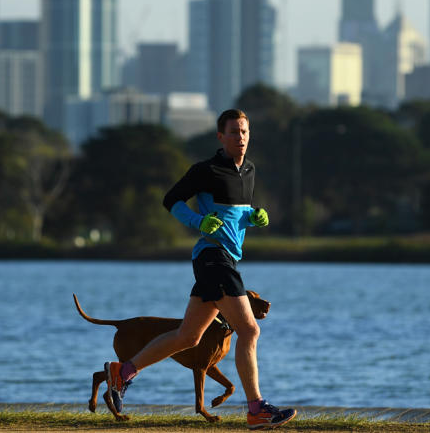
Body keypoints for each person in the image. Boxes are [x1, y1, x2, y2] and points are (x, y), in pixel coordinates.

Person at [103, 109, 297, 430]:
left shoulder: (249, 170)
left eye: (245, 132)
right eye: (234, 132)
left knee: (189, 337)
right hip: (212, 256)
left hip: (226, 259)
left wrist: (254, 217)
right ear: (220, 136)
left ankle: (121, 373)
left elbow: (238, 213)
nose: (241, 138)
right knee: (249, 330)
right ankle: (256, 409)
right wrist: (198, 221)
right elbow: (171, 200)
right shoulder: (205, 170)